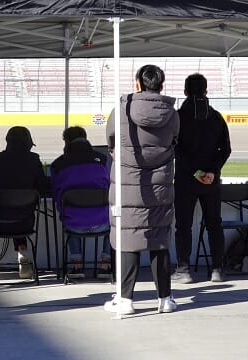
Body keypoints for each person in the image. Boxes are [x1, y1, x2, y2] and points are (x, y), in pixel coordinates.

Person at [103, 64, 179, 314]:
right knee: (159, 240)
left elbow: (111, 139)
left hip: (128, 184)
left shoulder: (122, 109)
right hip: (160, 185)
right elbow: (174, 141)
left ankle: (125, 300)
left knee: (128, 238)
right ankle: (165, 298)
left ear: (137, 83)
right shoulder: (172, 113)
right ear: (161, 85)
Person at [171, 73, 232, 283]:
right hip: (211, 180)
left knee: (183, 225)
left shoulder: (179, 117)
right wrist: (212, 172)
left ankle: (184, 269)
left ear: (185, 91)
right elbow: (225, 149)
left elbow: (176, 150)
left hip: (186, 179)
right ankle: (217, 269)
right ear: (206, 91)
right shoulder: (216, 117)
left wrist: (196, 172)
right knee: (214, 224)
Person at [0, 126, 46, 280]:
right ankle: (22, 250)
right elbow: (43, 187)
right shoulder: (34, 160)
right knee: (18, 209)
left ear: (7, 141)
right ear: (28, 143)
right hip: (25, 222)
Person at [50, 126, 111, 279]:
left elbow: (57, 196)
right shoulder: (103, 160)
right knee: (114, 220)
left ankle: (77, 266)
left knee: (70, 212)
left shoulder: (58, 164)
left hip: (73, 226)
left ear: (67, 142)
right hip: (103, 224)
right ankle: (106, 265)